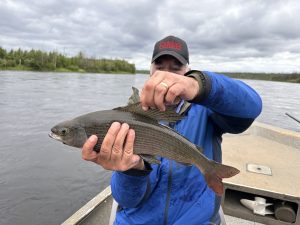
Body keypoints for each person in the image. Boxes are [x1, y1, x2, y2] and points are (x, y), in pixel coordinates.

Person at [82, 35, 262, 225]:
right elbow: (127, 200)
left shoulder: (209, 112)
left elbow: (252, 106)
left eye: (176, 68)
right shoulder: (127, 118)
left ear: (188, 71)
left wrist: (199, 85)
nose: (166, 75)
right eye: (159, 67)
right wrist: (132, 171)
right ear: (151, 70)